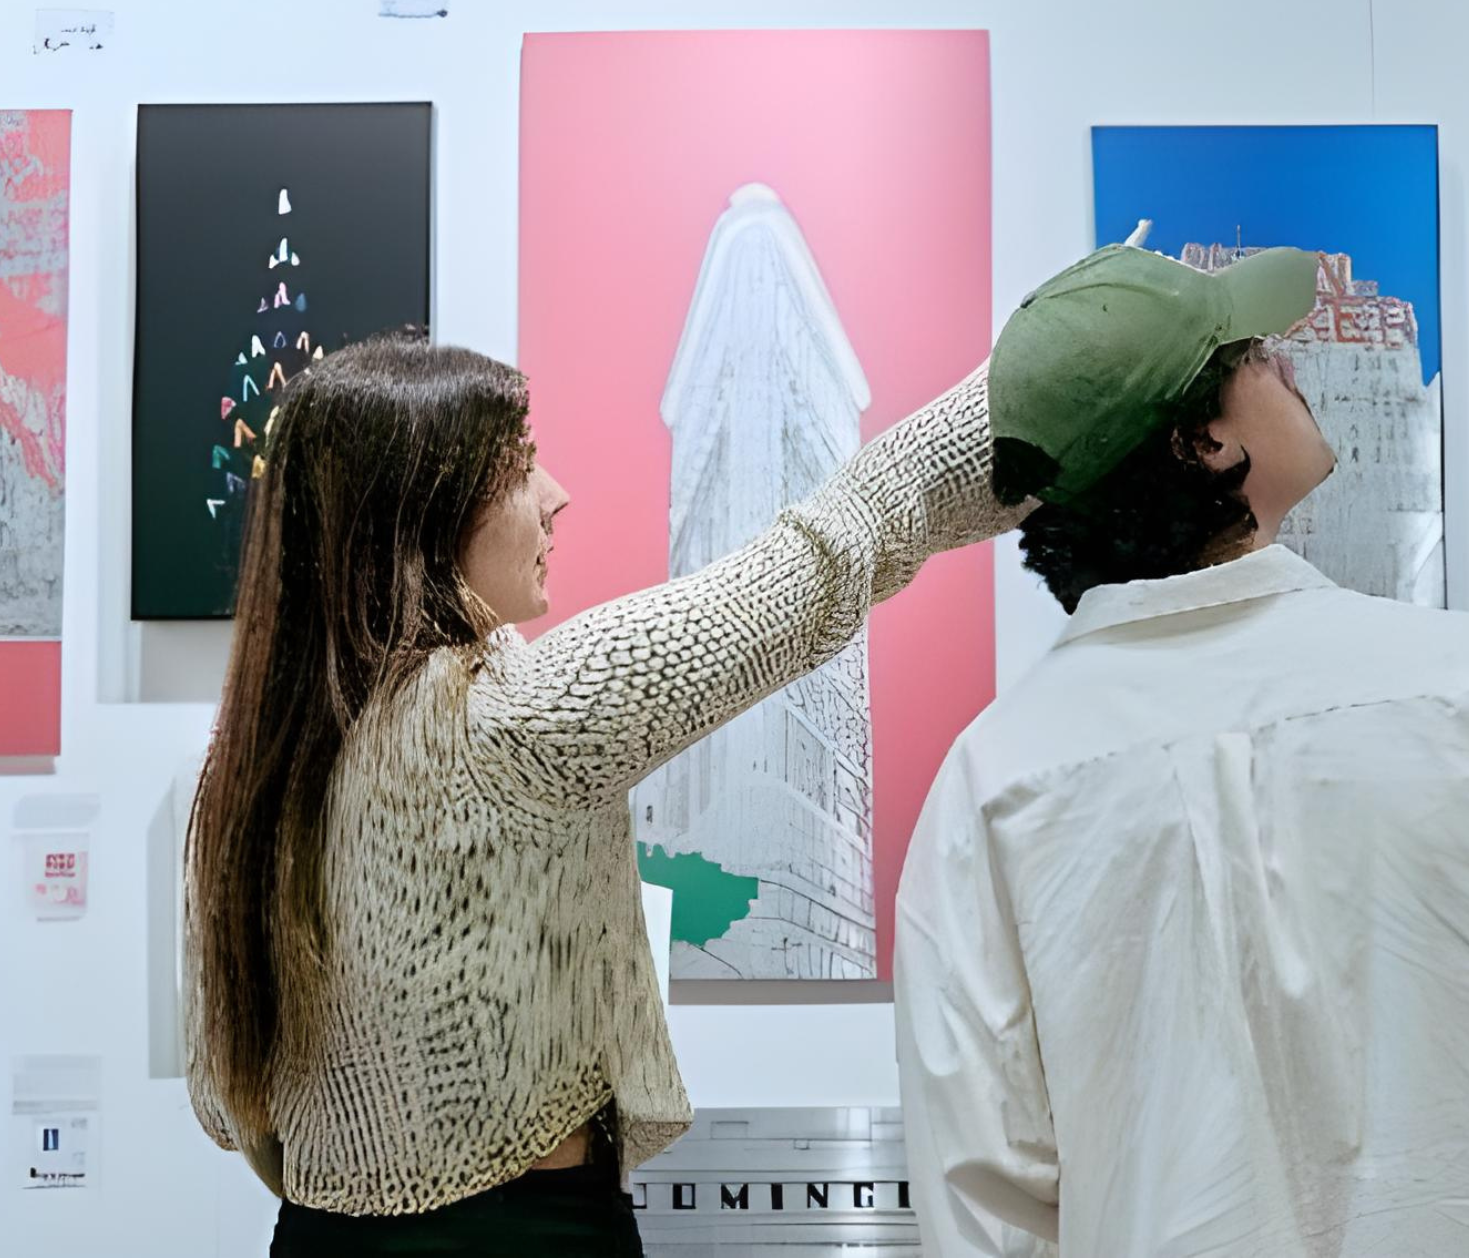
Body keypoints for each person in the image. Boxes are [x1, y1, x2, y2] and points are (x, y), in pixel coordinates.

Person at [895, 242, 1469, 1258]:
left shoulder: (994, 782)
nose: (1289, 364)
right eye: (1255, 354)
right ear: (1205, 443)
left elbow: (984, 1202)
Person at [182, 328, 1019, 1255]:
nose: (555, 496)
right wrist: (1031, 385)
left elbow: (243, 1102)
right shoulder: (515, 721)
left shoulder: (256, 765)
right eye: (520, 468)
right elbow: (816, 565)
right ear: (421, 515)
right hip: (523, 1235)